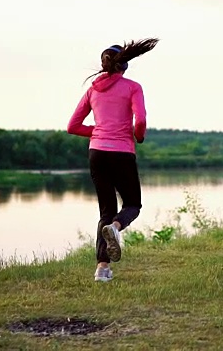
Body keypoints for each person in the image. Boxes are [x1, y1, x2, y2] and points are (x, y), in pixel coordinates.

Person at [67, 38, 159, 282]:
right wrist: (137, 136)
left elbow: (72, 126)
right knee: (132, 205)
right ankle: (116, 229)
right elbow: (139, 122)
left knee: (106, 210)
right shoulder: (133, 87)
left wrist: (98, 131)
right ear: (124, 66)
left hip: (96, 153)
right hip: (121, 152)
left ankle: (102, 270)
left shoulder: (92, 90)